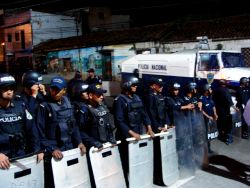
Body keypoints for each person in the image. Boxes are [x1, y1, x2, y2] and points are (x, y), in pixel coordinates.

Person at [36, 76, 86, 188]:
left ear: (64, 90)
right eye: (52, 89)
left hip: (69, 147)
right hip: (54, 150)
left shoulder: (68, 103)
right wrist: (51, 149)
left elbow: (74, 125)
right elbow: (40, 132)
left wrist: (79, 142)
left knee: (72, 179)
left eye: (57, 90)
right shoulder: (44, 106)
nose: (54, 92)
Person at [113, 76, 154, 186]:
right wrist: (132, 133)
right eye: (133, 85)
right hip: (126, 138)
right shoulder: (119, 100)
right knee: (126, 163)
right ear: (126, 86)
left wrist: (149, 129)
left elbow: (144, 115)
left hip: (138, 136)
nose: (136, 87)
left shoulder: (137, 98)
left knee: (138, 162)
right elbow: (119, 121)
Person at [0, 73, 42, 169]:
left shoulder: (20, 106)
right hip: (3, 159)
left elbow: (32, 129)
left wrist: (38, 150)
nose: (9, 92)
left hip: (21, 155)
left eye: (11, 88)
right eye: (5, 89)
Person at [165, 82, 195, 178]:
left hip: (181, 125)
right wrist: (186, 107)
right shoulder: (167, 99)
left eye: (177, 90)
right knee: (174, 145)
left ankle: (181, 161)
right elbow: (173, 107)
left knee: (181, 144)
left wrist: (192, 104)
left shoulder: (179, 98)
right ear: (170, 90)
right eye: (174, 89)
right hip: (173, 125)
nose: (176, 91)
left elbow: (185, 104)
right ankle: (174, 163)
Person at [145, 77, 169, 186]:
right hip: (156, 129)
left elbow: (164, 111)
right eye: (160, 85)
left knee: (163, 153)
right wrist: (157, 127)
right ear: (154, 86)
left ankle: (163, 175)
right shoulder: (150, 96)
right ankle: (157, 178)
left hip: (162, 127)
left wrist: (166, 124)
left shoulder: (159, 95)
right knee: (157, 154)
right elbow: (150, 113)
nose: (162, 87)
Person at [213, 79, 239, 144]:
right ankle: (227, 139)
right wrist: (235, 108)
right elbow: (229, 101)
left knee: (220, 123)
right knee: (228, 124)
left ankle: (221, 136)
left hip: (218, 110)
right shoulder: (225, 90)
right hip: (225, 111)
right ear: (225, 84)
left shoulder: (216, 90)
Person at [199, 84, 218, 153]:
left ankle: (208, 148)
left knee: (209, 134)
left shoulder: (210, 97)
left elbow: (213, 106)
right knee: (205, 134)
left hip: (211, 119)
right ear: (206, 91)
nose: (211, 90)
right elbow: (200, 110)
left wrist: (215, 114)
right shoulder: (201, 98)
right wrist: (208, 116)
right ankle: (204, 149)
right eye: (210, 89)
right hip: (204, 120)